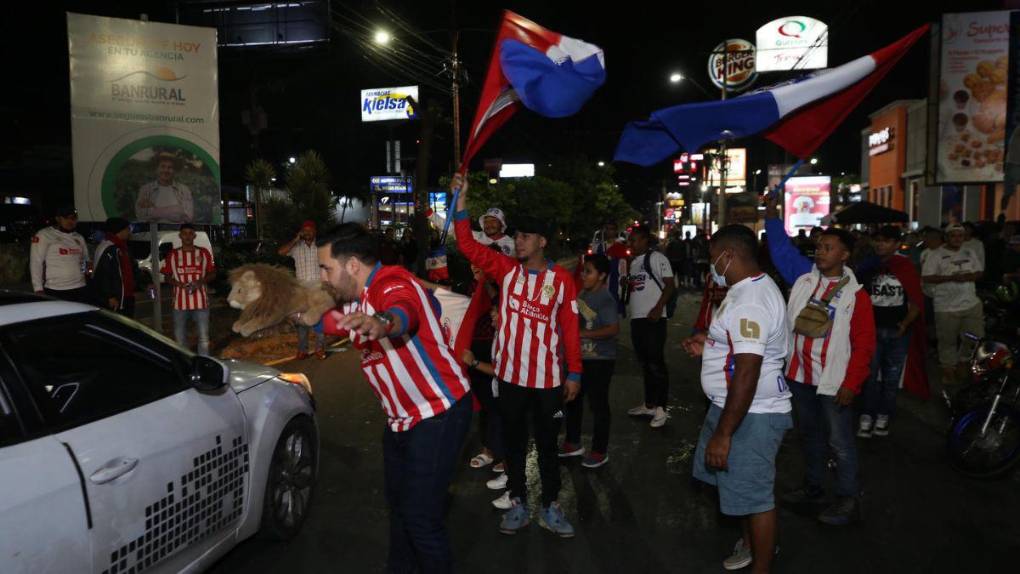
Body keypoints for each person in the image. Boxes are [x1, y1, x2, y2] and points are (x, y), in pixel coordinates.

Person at [317, 222, 472, 574]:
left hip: (438, 412)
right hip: (403, 419)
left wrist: (384, 323)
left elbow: (404, 311)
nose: (324, 276)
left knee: (420, 518)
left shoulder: (392, 282)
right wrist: (292, 312)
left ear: (352, 264)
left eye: (327, 266)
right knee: (401, 509)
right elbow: (332, 322)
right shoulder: (359, 299)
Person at [451, 173, 583, 538]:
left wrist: (574, 374)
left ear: (542, 241)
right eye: (517, 236)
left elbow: (570, 329)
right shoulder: (506, 271)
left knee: (546, 446)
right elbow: (467, 246)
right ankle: (518, 502)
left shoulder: (561, 280)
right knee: (512, 443)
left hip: (548, 382)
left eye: (524, 237)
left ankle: (551, 505)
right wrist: (461, 203)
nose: (517, 242)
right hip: (509, 378)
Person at [681, 225, 791, 574]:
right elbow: (739, 348)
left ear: (729, 256)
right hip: (734, 406)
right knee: (739, 489)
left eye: (714, 259)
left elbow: (747, 370)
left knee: (755, 496)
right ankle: (750, 544)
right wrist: (709, 344)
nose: (711, 265)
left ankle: (761, 565)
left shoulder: (751, 301)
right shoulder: (746, 288)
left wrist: (724, 433)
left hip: (751, 414)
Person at [766, 198, 876, 526]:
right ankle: (813, 489)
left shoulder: (856, 296)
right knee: (810, 436)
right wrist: (771, 216)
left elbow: (864, 345)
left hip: (833, 382)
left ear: (845, 255)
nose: (820, 251)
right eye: (818, 246)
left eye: (828, 247)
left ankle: (847, 499)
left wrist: (851, 383)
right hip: (799, 377)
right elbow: (782, 250)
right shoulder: (804, 279)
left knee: (840, 442)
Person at [857, 227, 927, 438]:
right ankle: (867, 415)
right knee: (869, 377)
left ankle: (884, 416)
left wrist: (905, 324)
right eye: (877, 240)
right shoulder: (867, 266)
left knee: (890, 379)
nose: (880, 244)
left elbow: (916, 301)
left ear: (897, 244)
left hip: (897, 333)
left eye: (886, 241)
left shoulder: (905, 266)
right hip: (872, 331)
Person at [560, 254, 619, 469]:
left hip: (600, 360)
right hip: (581, 359)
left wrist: (582, 334)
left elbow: (613, 329)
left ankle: (599, 450)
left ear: (602, 275)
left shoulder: (605, 299)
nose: (583, 275)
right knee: (573, 400)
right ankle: (573, 442)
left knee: (598, 405)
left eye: (589, 272)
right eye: (584, 270)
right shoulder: (583, 293)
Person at [624, 226, 675, 428]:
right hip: (637, 318)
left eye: (635, 240)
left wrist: (658, 307)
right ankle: (649, 404)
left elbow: (670, 285)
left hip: (654, 318)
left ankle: (661, 409)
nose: (632, 244)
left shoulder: (657, 258)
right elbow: (638, 286)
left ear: (646, 240)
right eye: (630, 240)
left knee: (656, 363)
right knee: (645, 363)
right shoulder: (633, 262)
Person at [922, 223, 985, 387]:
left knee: (973, 337)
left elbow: (980, 272)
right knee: (947, 340)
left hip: (970, 303)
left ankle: (963, 362)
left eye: (960, 236)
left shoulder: (969, 252)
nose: (957, 239)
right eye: (953, 235)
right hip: (946, 306)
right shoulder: (935, 254)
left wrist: (971, 276)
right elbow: (927, 277)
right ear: (946, 237)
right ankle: (948, 369)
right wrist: (950, 278)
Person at [162, 223, 216, 355]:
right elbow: (167, 276)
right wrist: (177, 283)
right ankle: (185, 363)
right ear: (180, 236)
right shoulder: (173, 255)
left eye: (190, 233)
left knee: (203, 338)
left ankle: (203, 363)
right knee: (180, 339)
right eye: (184, 233)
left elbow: (213, 273)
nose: (187, 236)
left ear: (194, 235)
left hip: (201, 302)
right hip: (179, 304)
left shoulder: (203, 253)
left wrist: (200, 281)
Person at [278, 220, 327, 360]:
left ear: (314, 231)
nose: (307, 233)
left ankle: (320, 348)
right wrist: (295, 239)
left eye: (310, 230)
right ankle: (302, 350)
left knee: (319, 320)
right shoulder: (296, 247)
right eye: (305, 231)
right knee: (301, 322)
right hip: (302, 291)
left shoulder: (321, 246)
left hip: (318, 289)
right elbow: (281, 252)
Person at [30, 205, 91, 303]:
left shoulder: (79, 237)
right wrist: (38, 289)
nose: (70, 221)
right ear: (58, 219)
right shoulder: (44, 235)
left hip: (80, 287)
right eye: (66, 218)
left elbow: (85, 260)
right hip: (55, 288)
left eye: (74, 218)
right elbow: (36, 263)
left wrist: (86, 273)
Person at [92, 217, 137, 317]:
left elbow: (133, 268)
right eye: (127, 229)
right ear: (119, 230)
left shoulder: (122, 246)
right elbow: (102, 274)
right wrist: (110, 296)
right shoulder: (108, 247)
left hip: (126, 296)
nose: (129, 232)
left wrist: (147, 282)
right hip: (115, 299)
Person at [135, 153, 194, 223]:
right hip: (152, 232)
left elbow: (189, 217)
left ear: (174, 170)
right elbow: (140, 215)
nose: (166, 170)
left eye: (170, 167)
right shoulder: (146, 189)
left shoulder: (184, 190)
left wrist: (153, 210)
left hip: (176, 232)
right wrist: (176, 209)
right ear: (157, 169)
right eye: (162, 167)